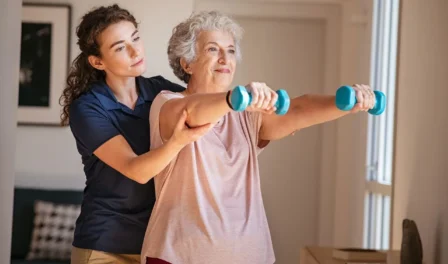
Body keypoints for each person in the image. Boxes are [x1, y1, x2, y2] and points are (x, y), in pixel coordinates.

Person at [141, 10, 378, 264]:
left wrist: (345, 104)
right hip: (178, 256)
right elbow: (191, 112)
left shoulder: (246, 115)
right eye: (213, 49)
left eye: (230, 51)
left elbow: (297, 109)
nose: (224, 58)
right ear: (186, 63)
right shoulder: (168, 102)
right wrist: (235, 98)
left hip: (250, 256)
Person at [59, 5, 213, 264]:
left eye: (136, 38)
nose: (135, 51)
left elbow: (201, 105)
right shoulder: (87, 108)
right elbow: (137, 170)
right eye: (120, 47)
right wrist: (178, 141)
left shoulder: (160, 91)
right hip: (105, 247)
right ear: (98, 62)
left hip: (157, 244)